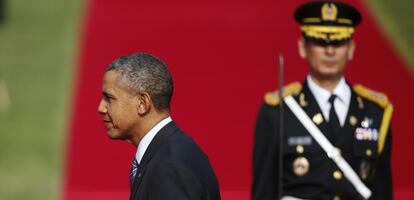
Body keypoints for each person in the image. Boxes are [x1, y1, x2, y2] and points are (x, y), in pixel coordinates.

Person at [252, 1, 393, 200]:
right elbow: (263, 192)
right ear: (302, 47)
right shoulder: (278, 112)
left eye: (338, 42)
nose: (329, 51)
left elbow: (382, 191)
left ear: (351, 48)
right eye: (319, 41)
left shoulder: (375, 111)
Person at [98, 53, 221, 200]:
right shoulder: (169, 152)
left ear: (142, 103)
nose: (101, 107)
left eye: (109, 98)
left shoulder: (168, 167)